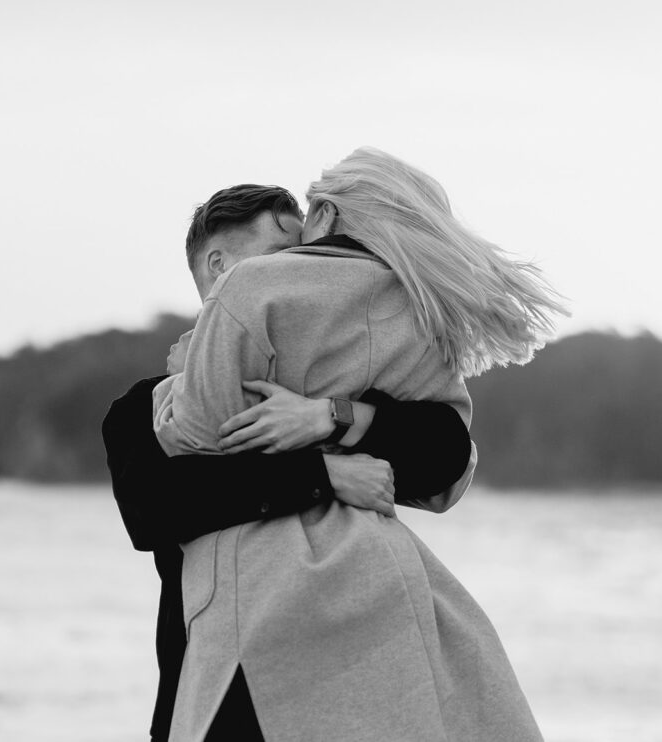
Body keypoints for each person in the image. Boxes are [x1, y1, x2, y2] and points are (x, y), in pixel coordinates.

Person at [154, 147, 567, 741]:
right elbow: (450, 468)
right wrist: (337, 440)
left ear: (325, 213)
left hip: (270, 596)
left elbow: (192, 437)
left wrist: (177, 380)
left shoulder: (250, 288)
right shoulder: (419, 314)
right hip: (387, 579)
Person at [102, 184, 475, 741]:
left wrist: (330, 416)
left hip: (354, 674)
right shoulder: (145, 406)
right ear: (218, 267)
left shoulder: (339, 384)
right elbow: (154, 508)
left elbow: (446, 455)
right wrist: (324, 475)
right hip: (215, 683)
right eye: (282, 258)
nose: (303, 276)